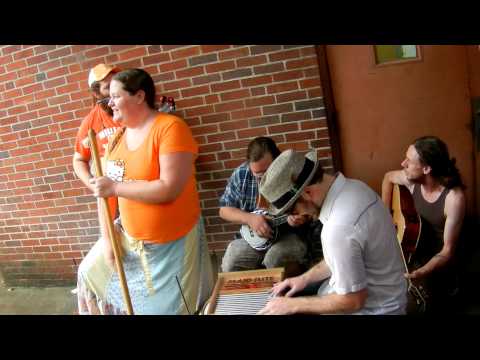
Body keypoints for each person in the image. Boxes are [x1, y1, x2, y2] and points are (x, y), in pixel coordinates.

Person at [76, 68, 213, 315]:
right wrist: (108, 242)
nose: (110, 103)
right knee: (88, 273)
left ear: (139, 96)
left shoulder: (170, 128)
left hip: (173, 245)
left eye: (116, 96)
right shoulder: (117, 139)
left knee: (173, 309)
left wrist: (116, 186)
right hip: (131, 239)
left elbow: (169, 188)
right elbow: (106, 198)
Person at [257, 149, 407, 315]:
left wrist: (292, 305)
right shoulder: (355, 187)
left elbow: (353, 300)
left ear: (307, 193)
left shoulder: (338, 228)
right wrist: (303, 279)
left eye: (292, 210)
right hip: (389, 296)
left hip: (375, 309)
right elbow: (342, 258)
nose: (295, 216)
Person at [382, 136, 466, 312]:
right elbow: (388, 177)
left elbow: (447, 251)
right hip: (415, 249)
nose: (403, 163)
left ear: (427, 168)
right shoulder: (411, 180)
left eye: (409, 161)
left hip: (439, 263)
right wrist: (386, 213)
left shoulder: (454, 198)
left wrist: (421, 272)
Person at [219, 137, 312, 277]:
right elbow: (224, 210)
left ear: (277, 160)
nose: (262, 178)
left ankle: (286, 296)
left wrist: (299, 219)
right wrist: (250, 218)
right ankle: (248, 297)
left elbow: (311, 208)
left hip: (289, 235)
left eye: (267, 172)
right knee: (231, 260)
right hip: (253, 238)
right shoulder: (242, 174)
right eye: (257, 174)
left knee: (274, 258)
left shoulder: (291, 170)